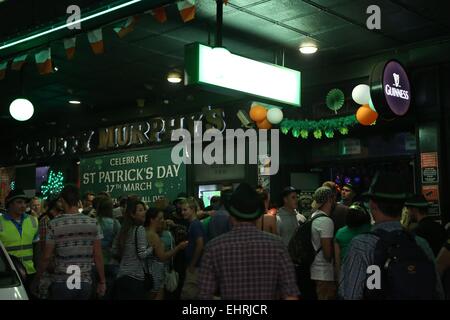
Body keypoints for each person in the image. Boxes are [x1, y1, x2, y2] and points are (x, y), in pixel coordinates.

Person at [339, 172, 444, 300]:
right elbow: (438, 291)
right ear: (402, 207)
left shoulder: (362, 245)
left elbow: (351, 294)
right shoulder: (420, 243)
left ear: (372, 205)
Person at [198, 183, 299, 300]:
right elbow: (290, 294)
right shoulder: (277, 245)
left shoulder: (214, 248)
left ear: (231, 215)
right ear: (257, 216)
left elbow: (204, 294)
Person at [33, 185, 106, 300]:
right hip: (85, 282)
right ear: (79, 201)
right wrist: (102, 281)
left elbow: (46, 257)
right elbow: (98, 255)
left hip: (62, 282)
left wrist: (37, 279)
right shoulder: (93, 223)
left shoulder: (54, 224)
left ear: (62, 200)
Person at [0, 189, 39, 295]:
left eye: (25, 202)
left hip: (30, 271)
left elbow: (37, 249)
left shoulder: (33, 220)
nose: (23, 205)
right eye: (19, 202)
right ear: (10, 204)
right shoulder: (1, 222)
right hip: (9, 273)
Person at [113, 200, 153, 300]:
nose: (144, 212)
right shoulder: (139, 229)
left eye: (144, 209)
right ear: (132, 214)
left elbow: (114, 250)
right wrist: (152, 248)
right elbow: (142, 254)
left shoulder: (123, 229)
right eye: (140, 210)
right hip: (135, 278)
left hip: (121, 276)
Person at [144, 207, 188, 299]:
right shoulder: (153, 236)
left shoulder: (143, 231)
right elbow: (162, 257)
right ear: (152, 220)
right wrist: (178, 247)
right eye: (160, 219)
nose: (163, 221)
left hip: (146, 273)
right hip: (155, 274)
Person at [309, 186, 336, 300]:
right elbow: (327, 253)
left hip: (314, 268)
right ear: (329, 199)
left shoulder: (314, 216)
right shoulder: (326, 221)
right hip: (324, 272)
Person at [35, 197, 63, 299]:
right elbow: (44, 245)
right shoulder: (45, 220)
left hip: (60, 264)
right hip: (49, 266)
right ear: (54, 203)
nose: (62, 203)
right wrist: (49, 264)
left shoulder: (61, 217)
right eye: (59, 201)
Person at [334, 204, 372, 279]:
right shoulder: (371, 230)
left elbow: (337, 261)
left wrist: (339, 278)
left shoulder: (340, 233)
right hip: (369, 273)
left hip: (348, 272)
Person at [180, 197, 206, 299]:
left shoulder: (195, 225)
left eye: (185, 210)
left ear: (193, 209)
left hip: (195, 267)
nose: (182, 212)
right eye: (182, 210)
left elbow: (200, 244)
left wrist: (192, 264)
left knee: (187, 294)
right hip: (196, 266)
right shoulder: (194, 224)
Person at [96, 196, 121, 299]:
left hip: (96, 261)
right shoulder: (116, 223)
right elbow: (119, 242)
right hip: (112, 261)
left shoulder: (94, 222)